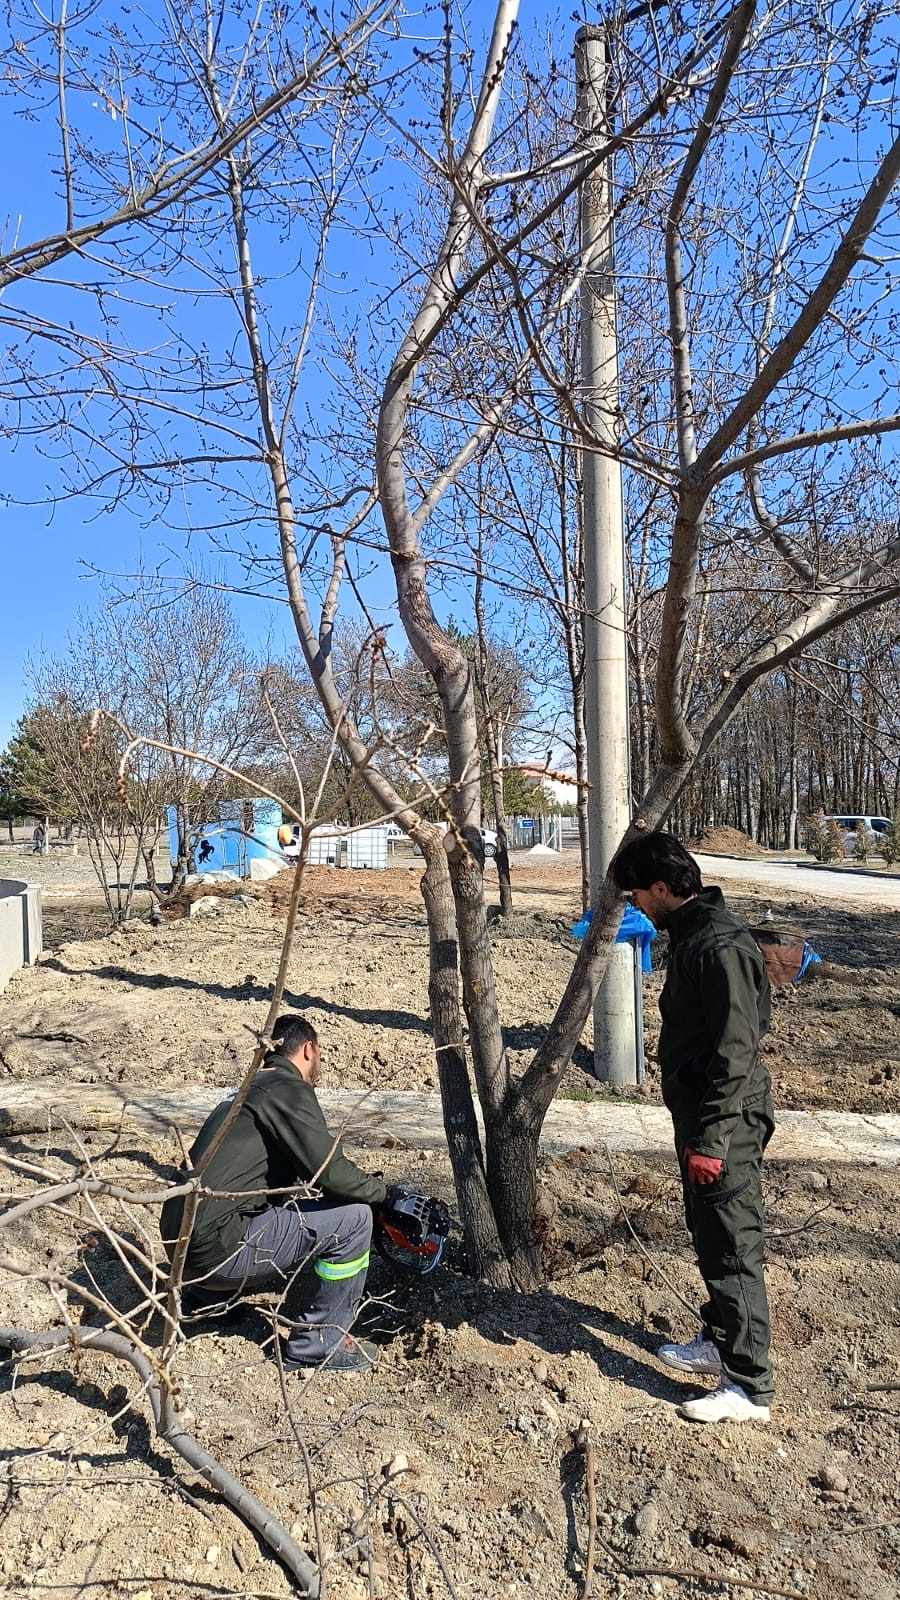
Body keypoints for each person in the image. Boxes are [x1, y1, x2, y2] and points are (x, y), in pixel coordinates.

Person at [611, 832, 774, 1424]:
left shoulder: (719, 945)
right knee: (709, 1231)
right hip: (704, 1114)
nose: (635, 906)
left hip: (723, 1121)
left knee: (733, 1242)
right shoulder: (694, 935)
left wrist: (710, 1140)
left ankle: (749, 1385)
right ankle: (719, 1339)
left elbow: (737, 1051)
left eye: (637, 895)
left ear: (661, 887)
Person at [161, 1014, 387, 1373]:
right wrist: (383, 1195)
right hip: (215, 1251)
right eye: (320, 1056)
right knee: (355, 1219)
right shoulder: (289, 1088)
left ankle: (205, 1298)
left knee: (265, 1200)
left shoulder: (248, 1088)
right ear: (309, 1050)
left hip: (179, 1249)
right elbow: (329, 1171)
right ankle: (317, 1344)